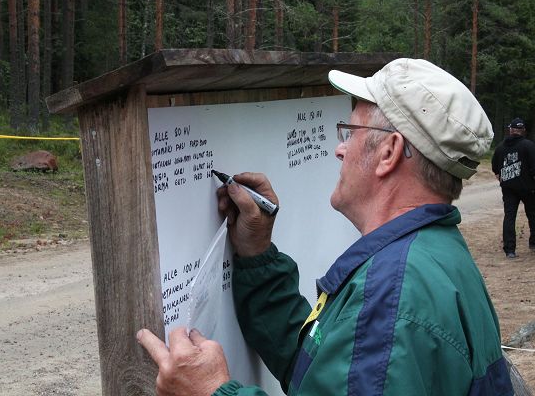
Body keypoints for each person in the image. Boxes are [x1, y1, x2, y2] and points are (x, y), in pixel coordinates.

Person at [137, 58, 513, 396]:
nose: (340, 148)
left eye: (350, 131)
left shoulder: (394, 297)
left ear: (389, 153)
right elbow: (325, 375)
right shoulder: (434, 256)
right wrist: (256, 253)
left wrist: (210, 392)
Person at [491, 118, 535, 258]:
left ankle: (510, 249)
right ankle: (533, 243)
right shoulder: (528, 145)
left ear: (510, 130)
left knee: (509, 217)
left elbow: (495, 168)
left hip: (508, 188)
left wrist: (503, 177)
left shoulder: (500, 147)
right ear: (523, 131)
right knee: (533, 215)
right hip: (528, 187)